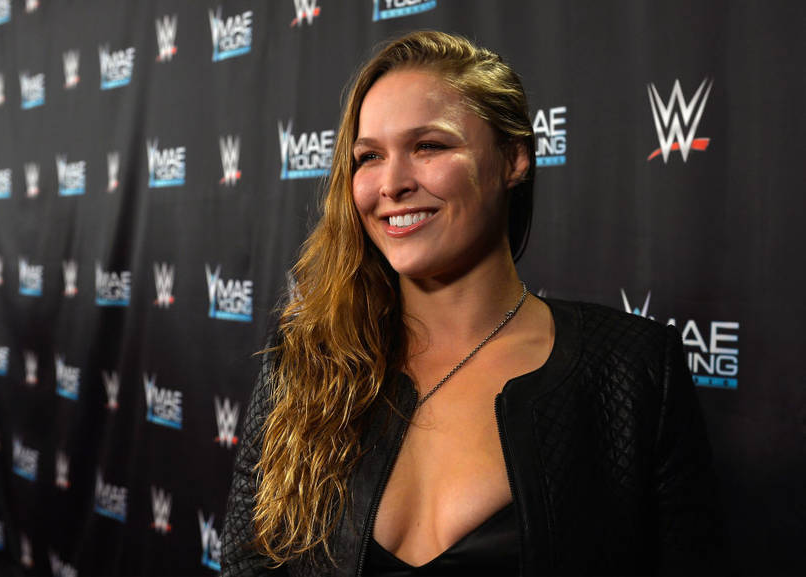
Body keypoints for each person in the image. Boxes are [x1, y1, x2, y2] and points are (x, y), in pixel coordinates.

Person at [221, 30, 722, 576]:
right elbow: (248, 561)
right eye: (369, 156)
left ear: (514, 159)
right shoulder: (306, 356)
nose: (392, 184)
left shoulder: (634, 368)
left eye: (429, 146)